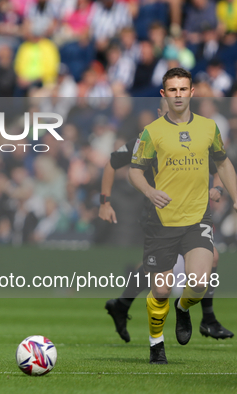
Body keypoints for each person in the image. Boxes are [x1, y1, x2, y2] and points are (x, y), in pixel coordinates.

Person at [101, 98, 233, 343]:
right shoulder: (146, 139)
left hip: (193, 213)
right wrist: (104, 201)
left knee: (206, 258)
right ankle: (205, 318)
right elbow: (112, 163)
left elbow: (216, 168)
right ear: (160, 113)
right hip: (157, 215)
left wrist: (219, 189)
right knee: (160, 272)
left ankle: (206, 318)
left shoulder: (193, 138)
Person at [128, 68, 237, 364]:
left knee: (200, 283)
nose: (178, 95)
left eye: (183, 89)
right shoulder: (152, 132)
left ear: (192, 92)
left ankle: (184, 308)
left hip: (196, 219)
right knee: (160, 289)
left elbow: (223, 163)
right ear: (164, 95)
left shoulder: (209, 128)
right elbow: (134, 171)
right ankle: (156, 344)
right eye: (172, 90)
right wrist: (150, 192)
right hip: (161, 221)